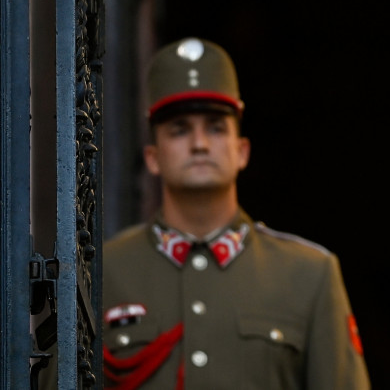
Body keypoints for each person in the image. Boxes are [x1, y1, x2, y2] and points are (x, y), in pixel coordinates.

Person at [100, 37, 371, 389]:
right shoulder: (104, 272)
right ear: (152, 156)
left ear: (242, 151)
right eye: (179, 130)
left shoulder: (309, 276)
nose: (199, 144)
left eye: (216, 127)